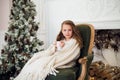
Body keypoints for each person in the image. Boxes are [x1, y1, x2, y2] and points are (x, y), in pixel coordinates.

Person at [14, 20, 83, 80]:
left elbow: (70, 53)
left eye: (69, 30)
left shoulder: (74, 41)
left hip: (64, 60)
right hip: (55, 56)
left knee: (42, 63)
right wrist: (55, 46)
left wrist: (63, 47)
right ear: (62, 31)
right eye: (64, 30)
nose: (67, 32)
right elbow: (52, 50)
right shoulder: (62, 40)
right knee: (36, 59)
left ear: (73, 30)